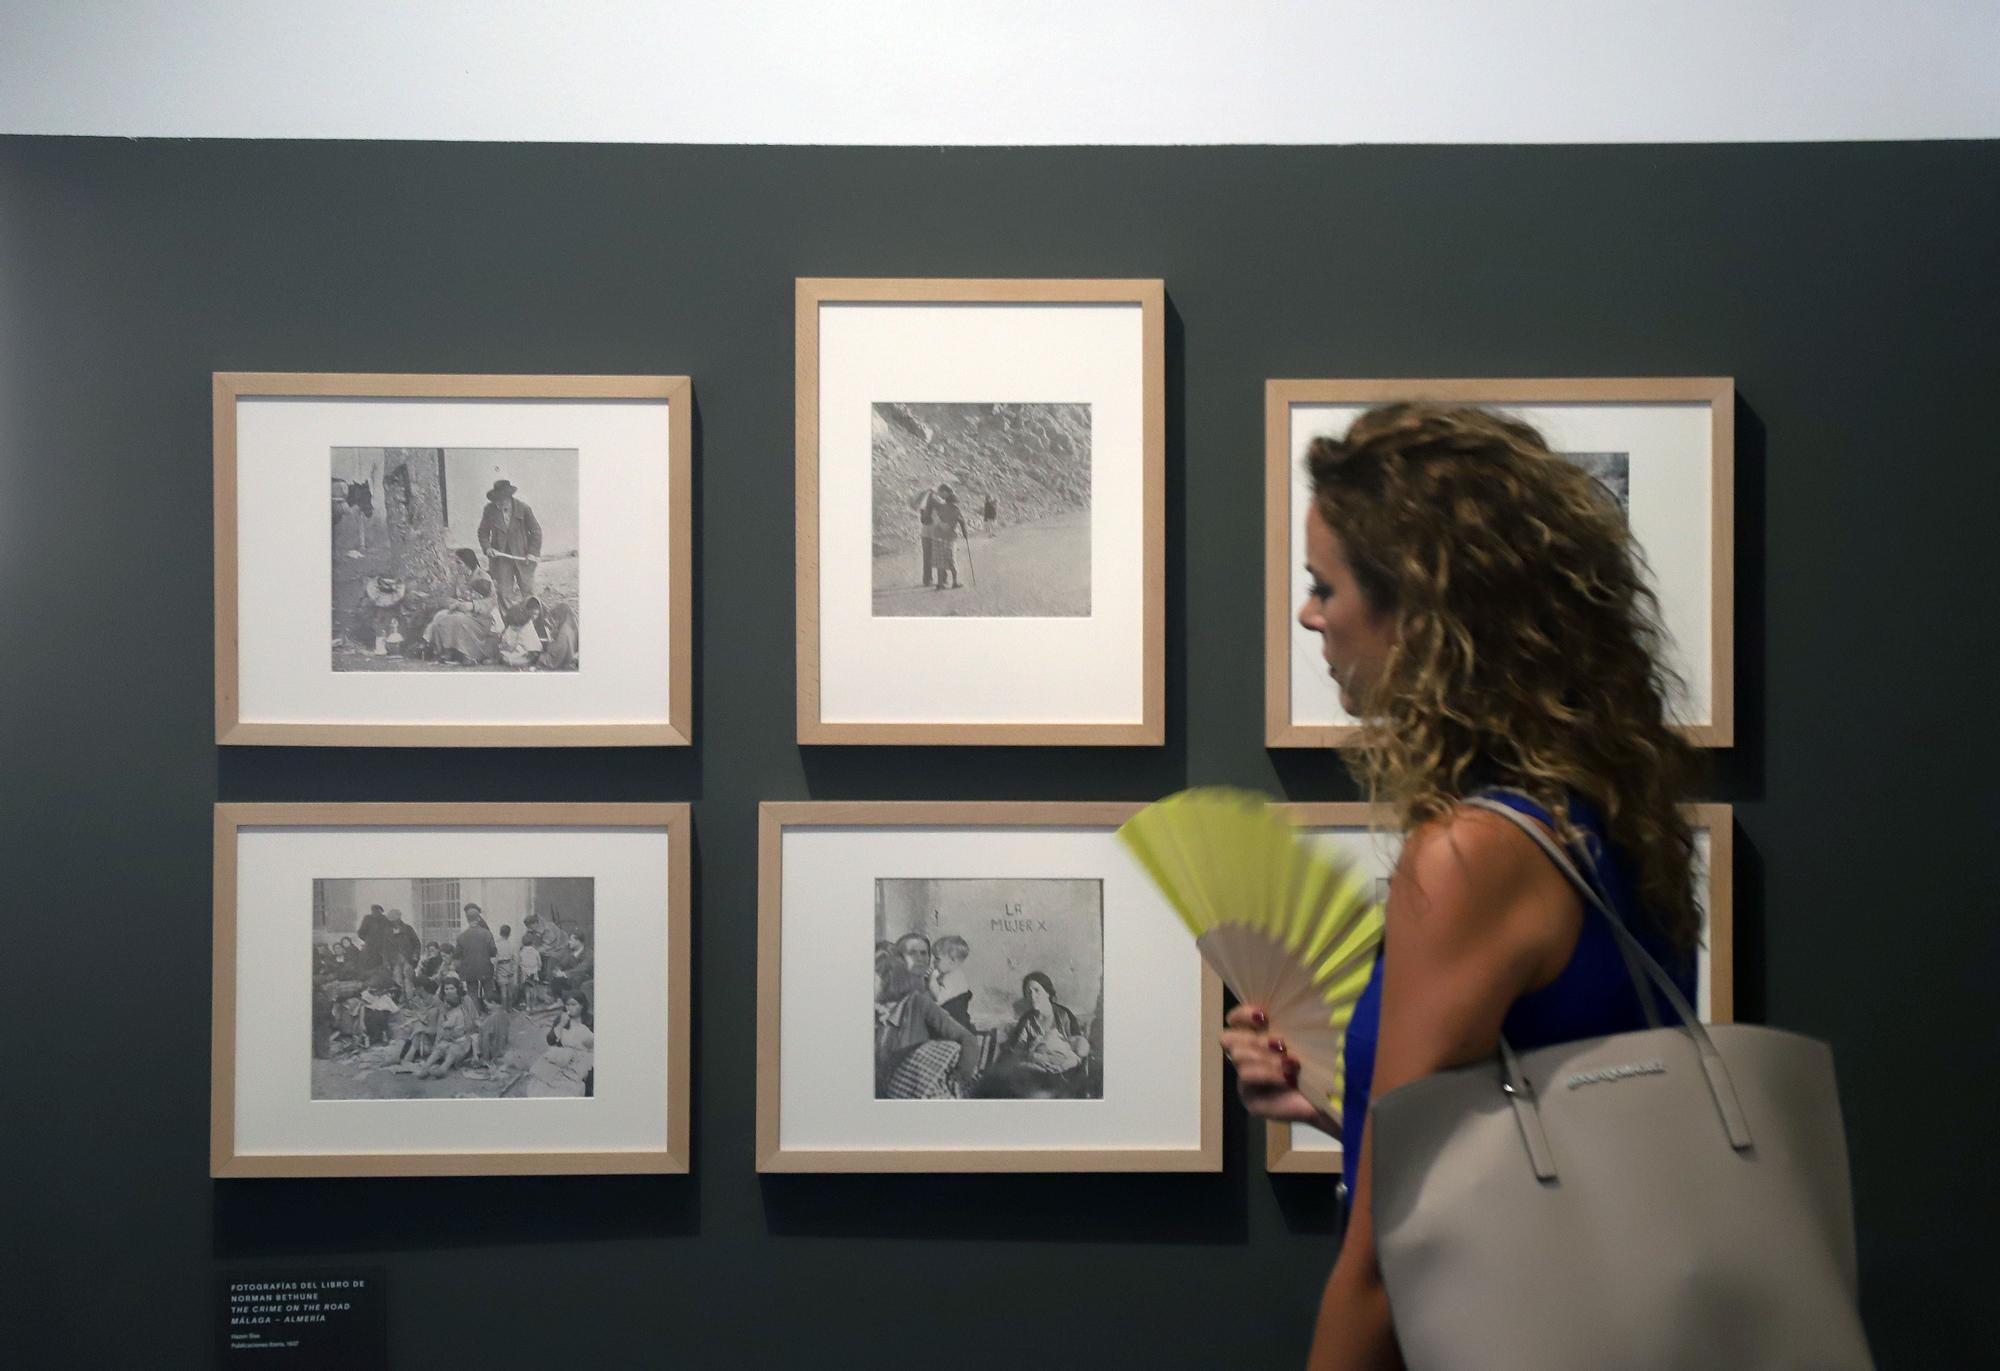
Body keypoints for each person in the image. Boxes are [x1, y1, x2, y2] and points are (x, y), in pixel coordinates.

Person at [1220, 403, 1703, 1369]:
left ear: (1424, 615)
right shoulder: (1604, 811)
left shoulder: (1472, 854)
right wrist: (1335, 1098)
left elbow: (1388, 1252)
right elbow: (1542, 1116)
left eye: (1325, 585)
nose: (1310, 613)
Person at [874, 955, 983, 1099]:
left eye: (872, 980)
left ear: (889, 980)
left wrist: (958, 1077)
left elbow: (968, 1039)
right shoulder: (875, 1012)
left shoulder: (920, 1004)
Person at [974, 971, 1092, 1099]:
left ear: (1048, 992)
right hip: (1033, 1067)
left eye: (1037, 990)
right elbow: (1017, 1049)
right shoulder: (1027, 1019)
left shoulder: (1064, 1015)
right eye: (1028, 992)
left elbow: (1079, 1050)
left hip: (1062, 1071)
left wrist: (1064, 1062)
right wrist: (1032, 1055)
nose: (1032, 996)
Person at [477, 478, 543, 612]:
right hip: (501, 559)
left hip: (523, 557)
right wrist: (487, 548)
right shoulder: (489, 510)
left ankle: (535, 623)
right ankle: (510, 624)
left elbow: (536, 532)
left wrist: (532, 552)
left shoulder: (523, 509)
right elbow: (482, 532)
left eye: (502, 500)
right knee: (504, 593)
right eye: (497, 500)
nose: (499, 503)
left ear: (509, 497)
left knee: (529, 591)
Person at [422, 570, 500, 665]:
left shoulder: (484, 575)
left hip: (480, 619)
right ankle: (443, 651)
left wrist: (473, 605)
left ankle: (465, 654)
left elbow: (492, 601)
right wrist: (455, 602)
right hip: (461, 611)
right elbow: (447, 597)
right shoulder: (458, 576)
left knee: (456, 619)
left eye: (461, 561)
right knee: (441, 616)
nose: (460, 565)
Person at [526, 993, 595, 1096]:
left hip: (583, 1058)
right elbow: (550, 1041)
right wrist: (561, 1024)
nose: (570, 1008)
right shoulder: (562, 1019)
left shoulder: (590, 1020)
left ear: (582, 1005)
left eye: (574, 1004)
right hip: (562, 1058)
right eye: (568, 1005)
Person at [416, 978, 476, 1079]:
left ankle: (443, 1069)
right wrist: (439, 1040)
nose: (449, 991)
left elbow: (473, 1019)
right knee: (439, 1049)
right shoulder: (444, 1002)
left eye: (452, 988)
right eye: (446, 989)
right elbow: (441, 1024)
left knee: (453, 1051)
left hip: (463, 1036)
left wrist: (461, 1030)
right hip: (447, 1037)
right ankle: (425, 1068)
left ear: (458, 989)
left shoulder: (466, 999)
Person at [455, 905, 498, 1014]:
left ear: (467, 919)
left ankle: (475, 1016)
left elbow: (457, 955)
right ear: (478, 918)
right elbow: (493, 951)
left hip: (469, 969)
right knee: (488, 992)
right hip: (485, 967)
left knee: (472, 993)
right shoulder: (487, 933)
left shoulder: (461, 936)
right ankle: (491, 1015)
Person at [925, 483, 969, 589]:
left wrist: (932, 493)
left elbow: (931, 501)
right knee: (952, 560)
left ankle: (940, 584)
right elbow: (962, 523)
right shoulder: (956, 510)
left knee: (940, 561)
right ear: (955, 501)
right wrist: (965, 534)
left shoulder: (941, 507)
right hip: (949, 538)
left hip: (938, 536)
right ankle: (955, 582)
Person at [929, 935, 974, 1031]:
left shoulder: (955, 978)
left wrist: (932, 980)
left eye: (937, 958)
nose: (933, 962)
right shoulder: (949, 974)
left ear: (952, 961)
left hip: (956, 1026)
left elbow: (939, 999)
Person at [384, 907, 420, 999]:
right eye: (391, 921)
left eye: (395, 920)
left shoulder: (408, 929)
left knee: (409, 981)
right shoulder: (387, 932)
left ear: (399, 919)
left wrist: (415, 957)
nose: (394, 923)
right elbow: (385, 949)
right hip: (394, 961)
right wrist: (387, 962)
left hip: (407, 959)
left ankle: (410, 1001)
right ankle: (401, 1001)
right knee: (397, 981)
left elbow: (417, 943)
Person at [355, 904, 391, 972]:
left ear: (381, 911)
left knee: (380, 961)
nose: (376, 913)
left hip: (381, 945)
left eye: (377, 911)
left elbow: (388, 932)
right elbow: (361, 932)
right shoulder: (367, 919)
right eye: (374, 911)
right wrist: (367, 940)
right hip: (371, 945)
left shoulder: (385, 919)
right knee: (368, 960)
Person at [493, 922, 519, 1011]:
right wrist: (514, 969)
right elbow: (515, 958)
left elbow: (495, 960)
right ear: (509, 934)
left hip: (500, 967)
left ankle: (503, 1010)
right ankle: (510, 1008)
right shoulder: (511, 944)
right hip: (509, 966)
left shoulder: (496, 944)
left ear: (500, 933)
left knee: (503, 991)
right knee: (510, 991)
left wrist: (494, 972)